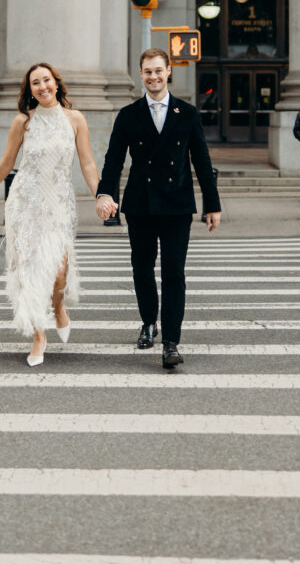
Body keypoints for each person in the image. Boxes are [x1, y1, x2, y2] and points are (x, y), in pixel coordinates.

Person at [96, 48, 221, 370]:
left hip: (177, 205)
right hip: (140, 204)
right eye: (147, 71)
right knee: (142, 267)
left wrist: (213, 204)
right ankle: (148, 321)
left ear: (168, 73)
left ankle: (171, 342)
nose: (153, 76)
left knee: (174, 273)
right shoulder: (128, 114)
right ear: (141, 75)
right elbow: (113, 160)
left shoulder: (188, 113)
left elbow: (202, 161)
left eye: (158, 70)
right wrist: (104, 194)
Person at [0, 63, 100, 367]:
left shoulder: (75, 119)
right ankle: (39, 336)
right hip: (25, 203)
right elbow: (6, 164)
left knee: (58, 272)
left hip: (58, 203)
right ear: (29, 89)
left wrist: (101, 195)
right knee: (31, 273)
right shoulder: (23, 121)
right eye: (35, 83)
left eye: (46, 80)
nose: (42, 87)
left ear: (56, 83)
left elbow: (87, 164)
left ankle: (58, 307)